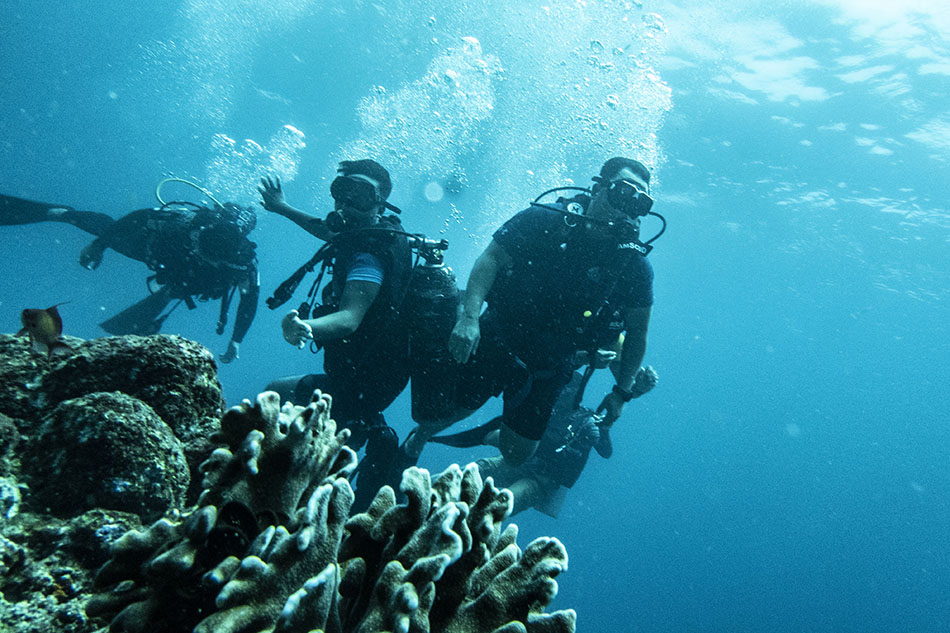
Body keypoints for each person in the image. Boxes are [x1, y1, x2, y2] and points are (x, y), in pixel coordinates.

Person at [403, 156, 657, 467]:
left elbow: (637, 330)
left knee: (517, 455)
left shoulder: (634, 266)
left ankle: (489, 433)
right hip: (499, 334)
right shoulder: (544, 220)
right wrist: (469, 318)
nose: (625, 209)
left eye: (638, 203)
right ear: (598, 188)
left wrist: (622, 393)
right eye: (621, 194)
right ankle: (421, 435)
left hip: (551, 362)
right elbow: (490, 259)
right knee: (447, 412)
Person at [258, 159, 413, 509]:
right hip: (367, 374)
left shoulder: (371, 253)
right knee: (286, 407)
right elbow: (324, 230)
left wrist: (304, 328)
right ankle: (371, 439)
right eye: (341, 192)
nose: (345, 204)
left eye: (360, 195)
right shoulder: (364, 234)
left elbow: (349, 319)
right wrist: (281, 207)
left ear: (380, 201)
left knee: (310, 456)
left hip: (364, 381)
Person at [0, 190, 260, 363]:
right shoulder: (187, 222)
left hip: (183, 280)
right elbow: (139, 218)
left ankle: (160, 300)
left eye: (209, 255)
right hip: (150, 250)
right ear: (202, 231)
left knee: (178, 289)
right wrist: (99, 244)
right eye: (199, 245)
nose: (200, 253)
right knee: (100, 225)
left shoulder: (243, 263)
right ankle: (58, 213)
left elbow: (250, 300)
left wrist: (236, 340)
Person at [433, 358, 658, 517]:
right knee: (476, 470)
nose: (560, 396)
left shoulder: (585, 419)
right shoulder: (544, 412)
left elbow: (606, 449)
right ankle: (426, 493)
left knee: (503, 503)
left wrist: (608, 424)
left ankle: (461, 529)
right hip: (523, 461)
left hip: (543, 482)